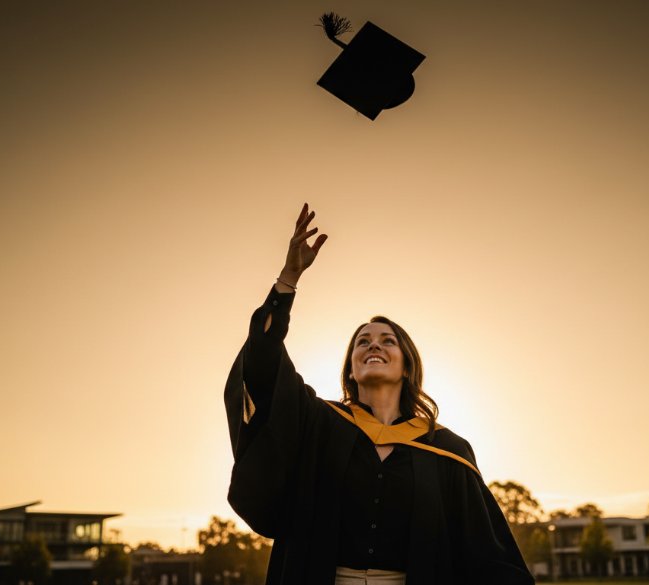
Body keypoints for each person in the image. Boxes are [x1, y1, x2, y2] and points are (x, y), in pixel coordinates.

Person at [224, 204, 533, 585]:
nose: (375, 345)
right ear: (352, 369)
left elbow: (487, 554)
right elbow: (263, 366)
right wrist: (288, 280)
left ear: (407, 365)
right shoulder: (319, 424)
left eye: (388, 341)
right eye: (362, 342)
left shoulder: (447, 451)